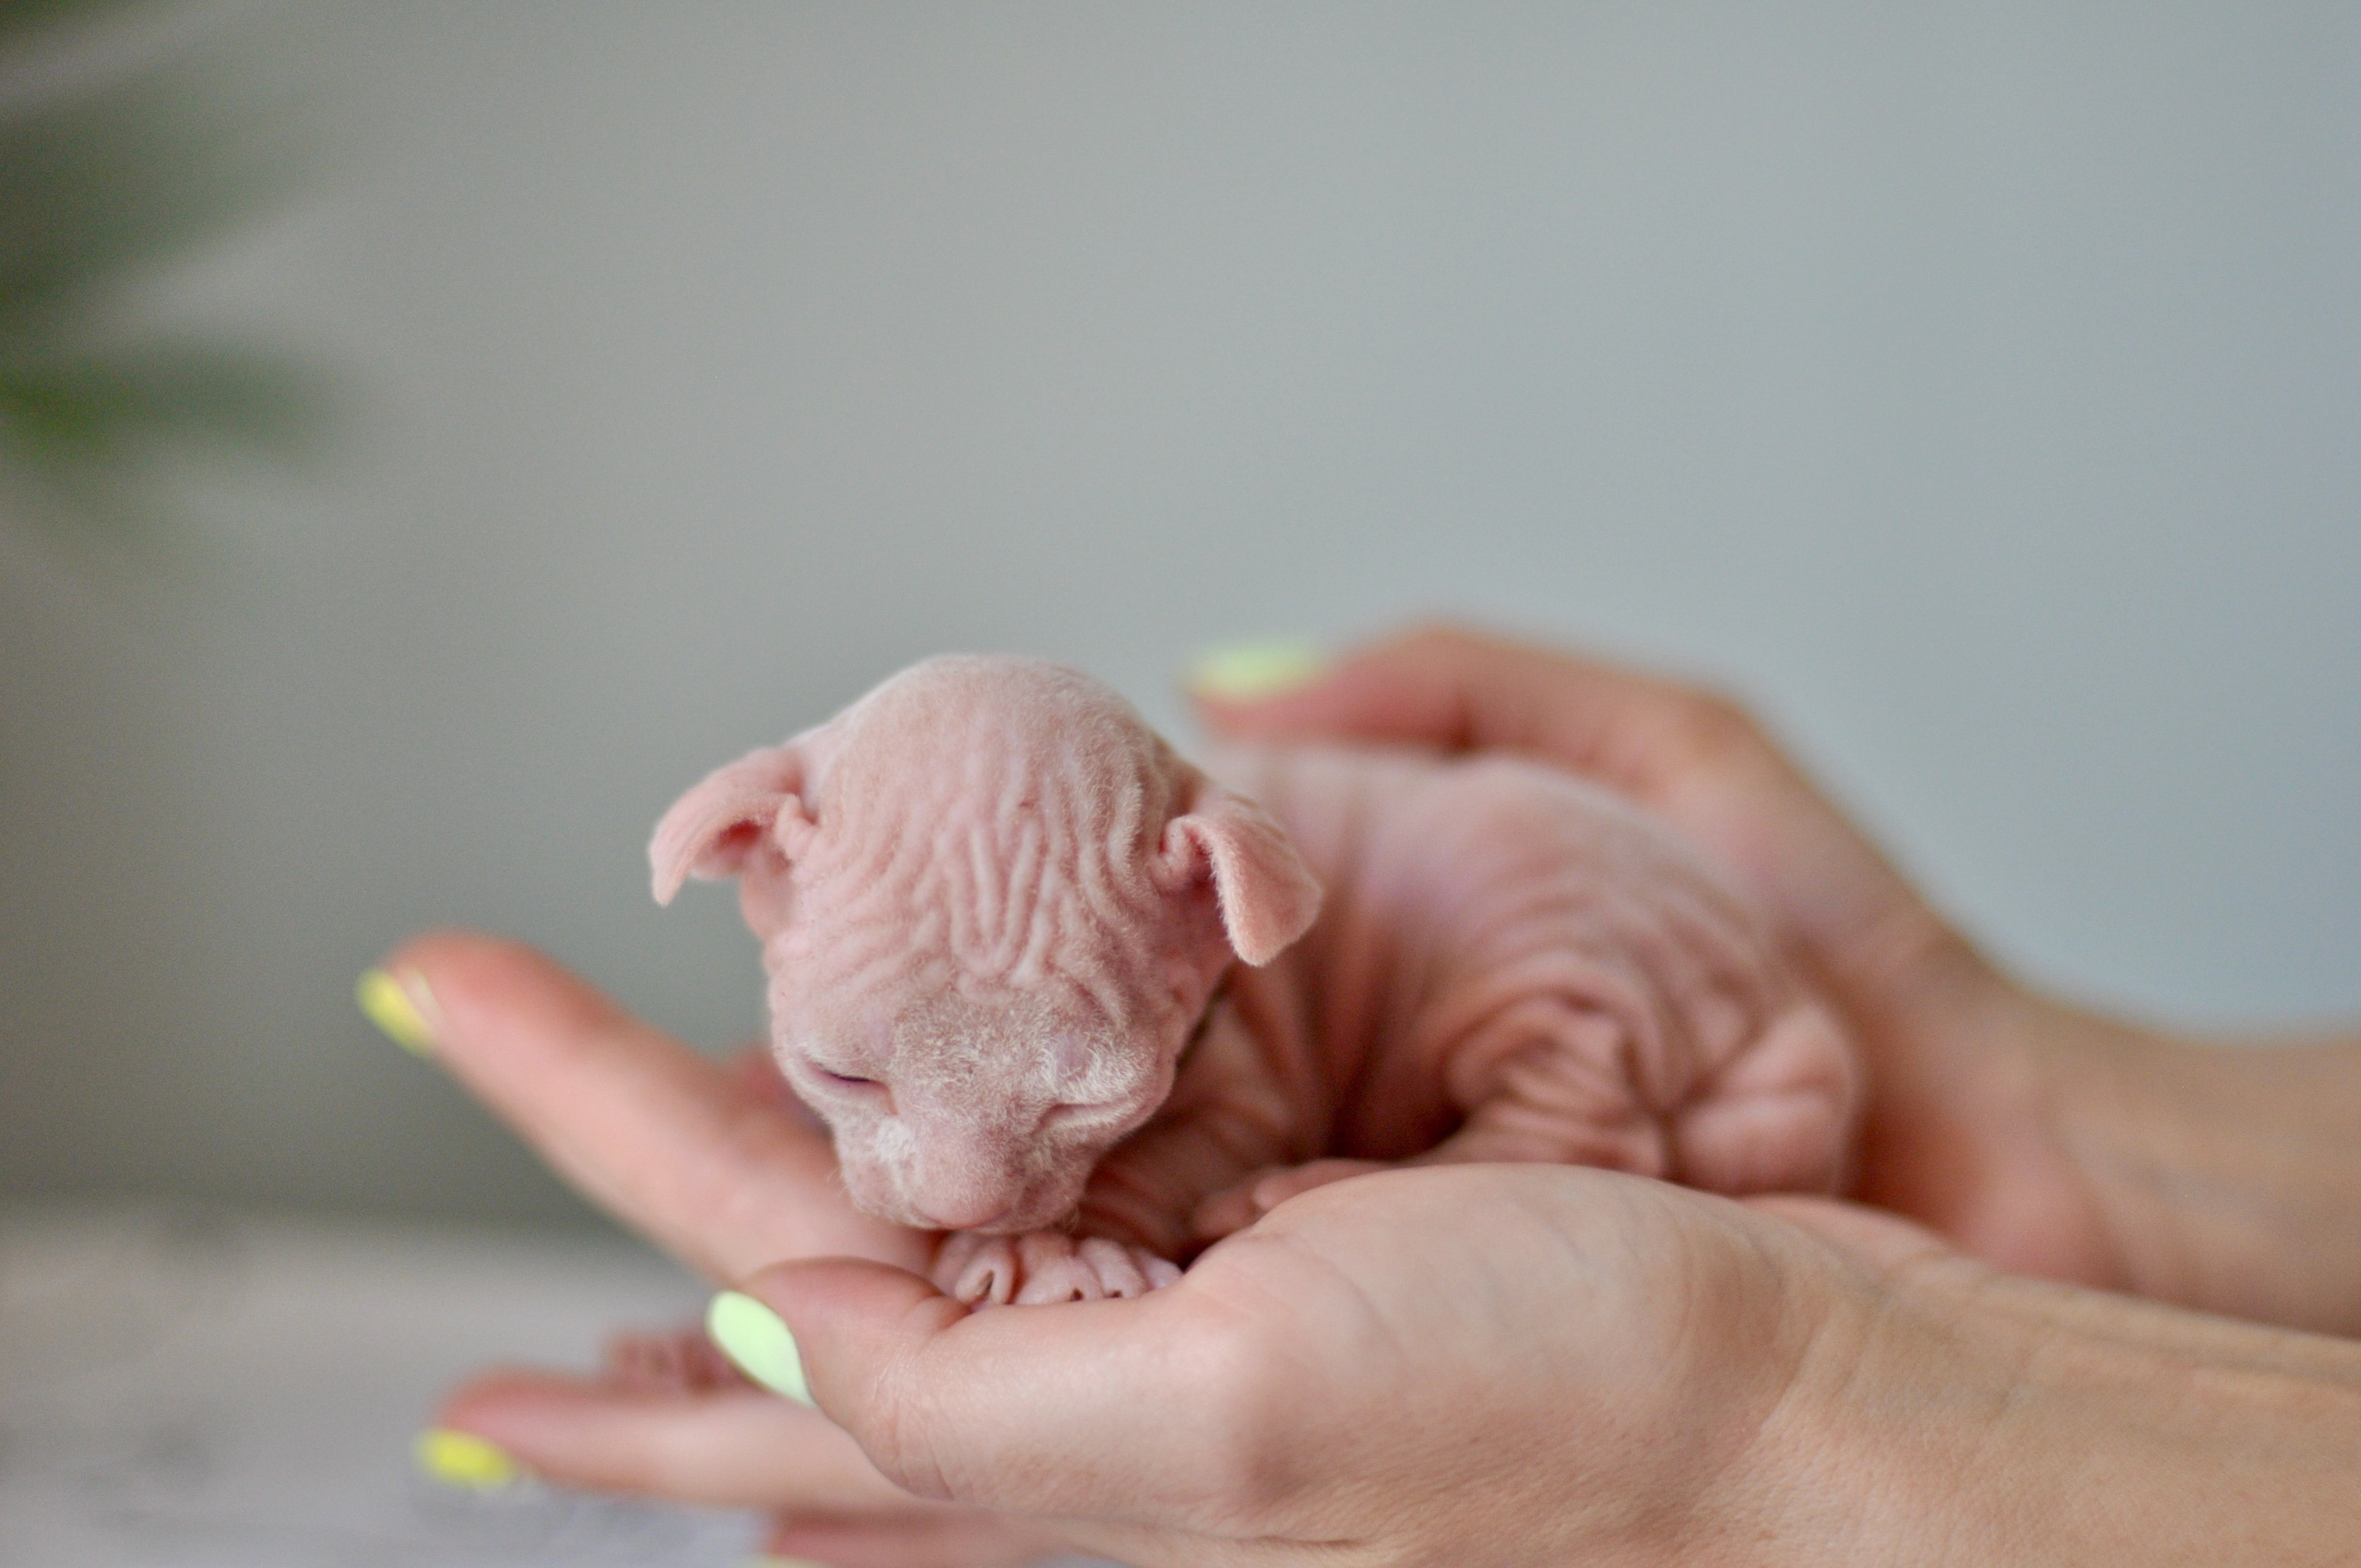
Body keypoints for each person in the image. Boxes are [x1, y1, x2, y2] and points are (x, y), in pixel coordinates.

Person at [368, 624, 2361, 1565]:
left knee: (1520, 889)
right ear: (750, 852)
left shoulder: (1238, 902)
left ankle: (1557, 1123)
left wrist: (1138, 1213)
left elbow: (1209, 1115)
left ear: (1214, 905)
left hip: (1651, 1007)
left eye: (1081, 1080)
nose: (950, 1171)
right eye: (847, 1070)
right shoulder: (943, 904)